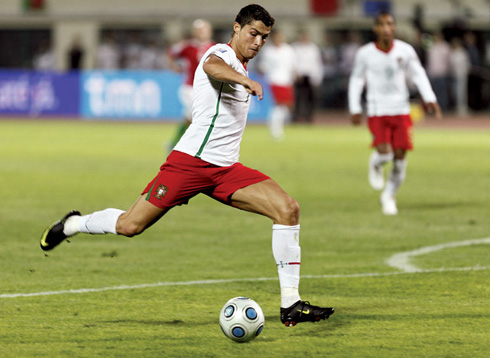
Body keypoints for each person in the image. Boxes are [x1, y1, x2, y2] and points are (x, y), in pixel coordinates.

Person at [40, 4, 334, 327]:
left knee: (288, 209)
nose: (258, 42)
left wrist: (244, 77)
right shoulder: (222, 53)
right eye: (253, 34)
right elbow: (211, 66)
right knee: (129, 225)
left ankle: (290, 304)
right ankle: (73, 224)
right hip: (189, 164)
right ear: (237, 28)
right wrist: (243, 81)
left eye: (264, 37)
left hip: (226, 170)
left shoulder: (243, 64)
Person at [348, 11, 441, 215]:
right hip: (377, 110)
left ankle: (388, 195)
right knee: (385, 153)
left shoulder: (405, 50)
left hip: (401, 109)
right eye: (382, 24)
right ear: (376, 28)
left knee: (400, 159)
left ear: (394, 27)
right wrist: (355, 108)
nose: (386, 28)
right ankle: (376, 162)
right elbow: (356, 80)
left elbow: (418, 74)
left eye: (390, 24)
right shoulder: (365, 53)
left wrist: (429, 97)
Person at [166, 19, 214, 151]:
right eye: (199, 30)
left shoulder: (215, 47)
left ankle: (174, 143)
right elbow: (170, 53)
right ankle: (193, 147)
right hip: (190, 88)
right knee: (198, 116)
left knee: (191, 118)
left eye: (204, 29)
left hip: (208, 89)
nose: (202, 33)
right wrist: (174, 66)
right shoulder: (187, 46)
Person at [257, 30, 297, 140]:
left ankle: (277, 125)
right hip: (274, 80)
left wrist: (294, 75)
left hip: (287, 81)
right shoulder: (268, 51)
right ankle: (275, 129)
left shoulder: (288, 50)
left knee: (288, 106)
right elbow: (263, 67)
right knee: (279, 105)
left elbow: (293, 65)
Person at [291, 30, 323, 123]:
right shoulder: (294, 47)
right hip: (298, 76)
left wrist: (317, 77)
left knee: (310, 99)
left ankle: (309, 117)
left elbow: (317, 63)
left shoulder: (313, 48)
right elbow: (292, 62)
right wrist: (295, 74)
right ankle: (296, 117)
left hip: (310, 76)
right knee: (297, 98)